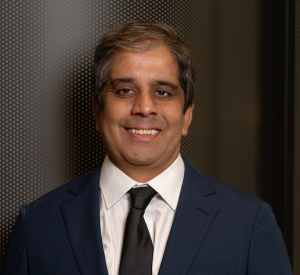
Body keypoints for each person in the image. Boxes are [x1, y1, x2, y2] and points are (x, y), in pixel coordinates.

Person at [2, 19, 292, 275]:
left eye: (163, 92)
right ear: (97, 113)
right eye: (125, 90)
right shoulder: (37, 225)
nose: (144, 107)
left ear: (187, 116)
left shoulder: (248, 223)